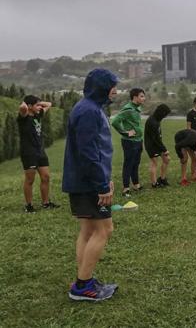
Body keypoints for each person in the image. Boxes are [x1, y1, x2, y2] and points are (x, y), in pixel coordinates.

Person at [63, 68, 119, 301]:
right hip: (88, 183)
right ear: (101, 87)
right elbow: (88, 153)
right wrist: (101, 185)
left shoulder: (90, 108)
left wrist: (105, 177)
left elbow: (95, 149)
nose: (116, 91)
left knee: (87, 231)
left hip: (85, 181)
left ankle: (82, 279)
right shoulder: (88, 111)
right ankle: (83, 287)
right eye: (112, 86)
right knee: (104, 230)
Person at [17, 95, 57, 213]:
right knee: (30, 180)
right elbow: (22, 108)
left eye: (40, 105)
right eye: (37, 105)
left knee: (46, 177)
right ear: (29, 106)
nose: (40, 107)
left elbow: (49, 104)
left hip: (40, 151)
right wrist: (26, 104)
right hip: (29, 152)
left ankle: (45, 203)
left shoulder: (38, 114)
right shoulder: (23, 118)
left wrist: (37, 104)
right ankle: (29, 206)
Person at [111, 88, 145, 198]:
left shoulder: (137, 108)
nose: (143, 98)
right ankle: (126, 189)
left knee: (136, 163)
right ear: (135, 97)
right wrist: (125, 133)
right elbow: (115, 122)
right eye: (141, 96)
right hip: (130, 142)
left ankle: (136, 185)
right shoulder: (128, 109)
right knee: (128, 164)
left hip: (139, 140)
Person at [144, 104, 171, 188]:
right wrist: (164, 149)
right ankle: (154, 183)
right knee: (154, 163)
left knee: (167, 159)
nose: (166, 116)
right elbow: (155, 139)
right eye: (165, 114)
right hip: (152, 146)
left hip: (157, 144)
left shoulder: (157, 119)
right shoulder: (152, 122)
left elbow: (157, 137)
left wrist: (163, 148)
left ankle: (162, 179)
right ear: (161, 112)